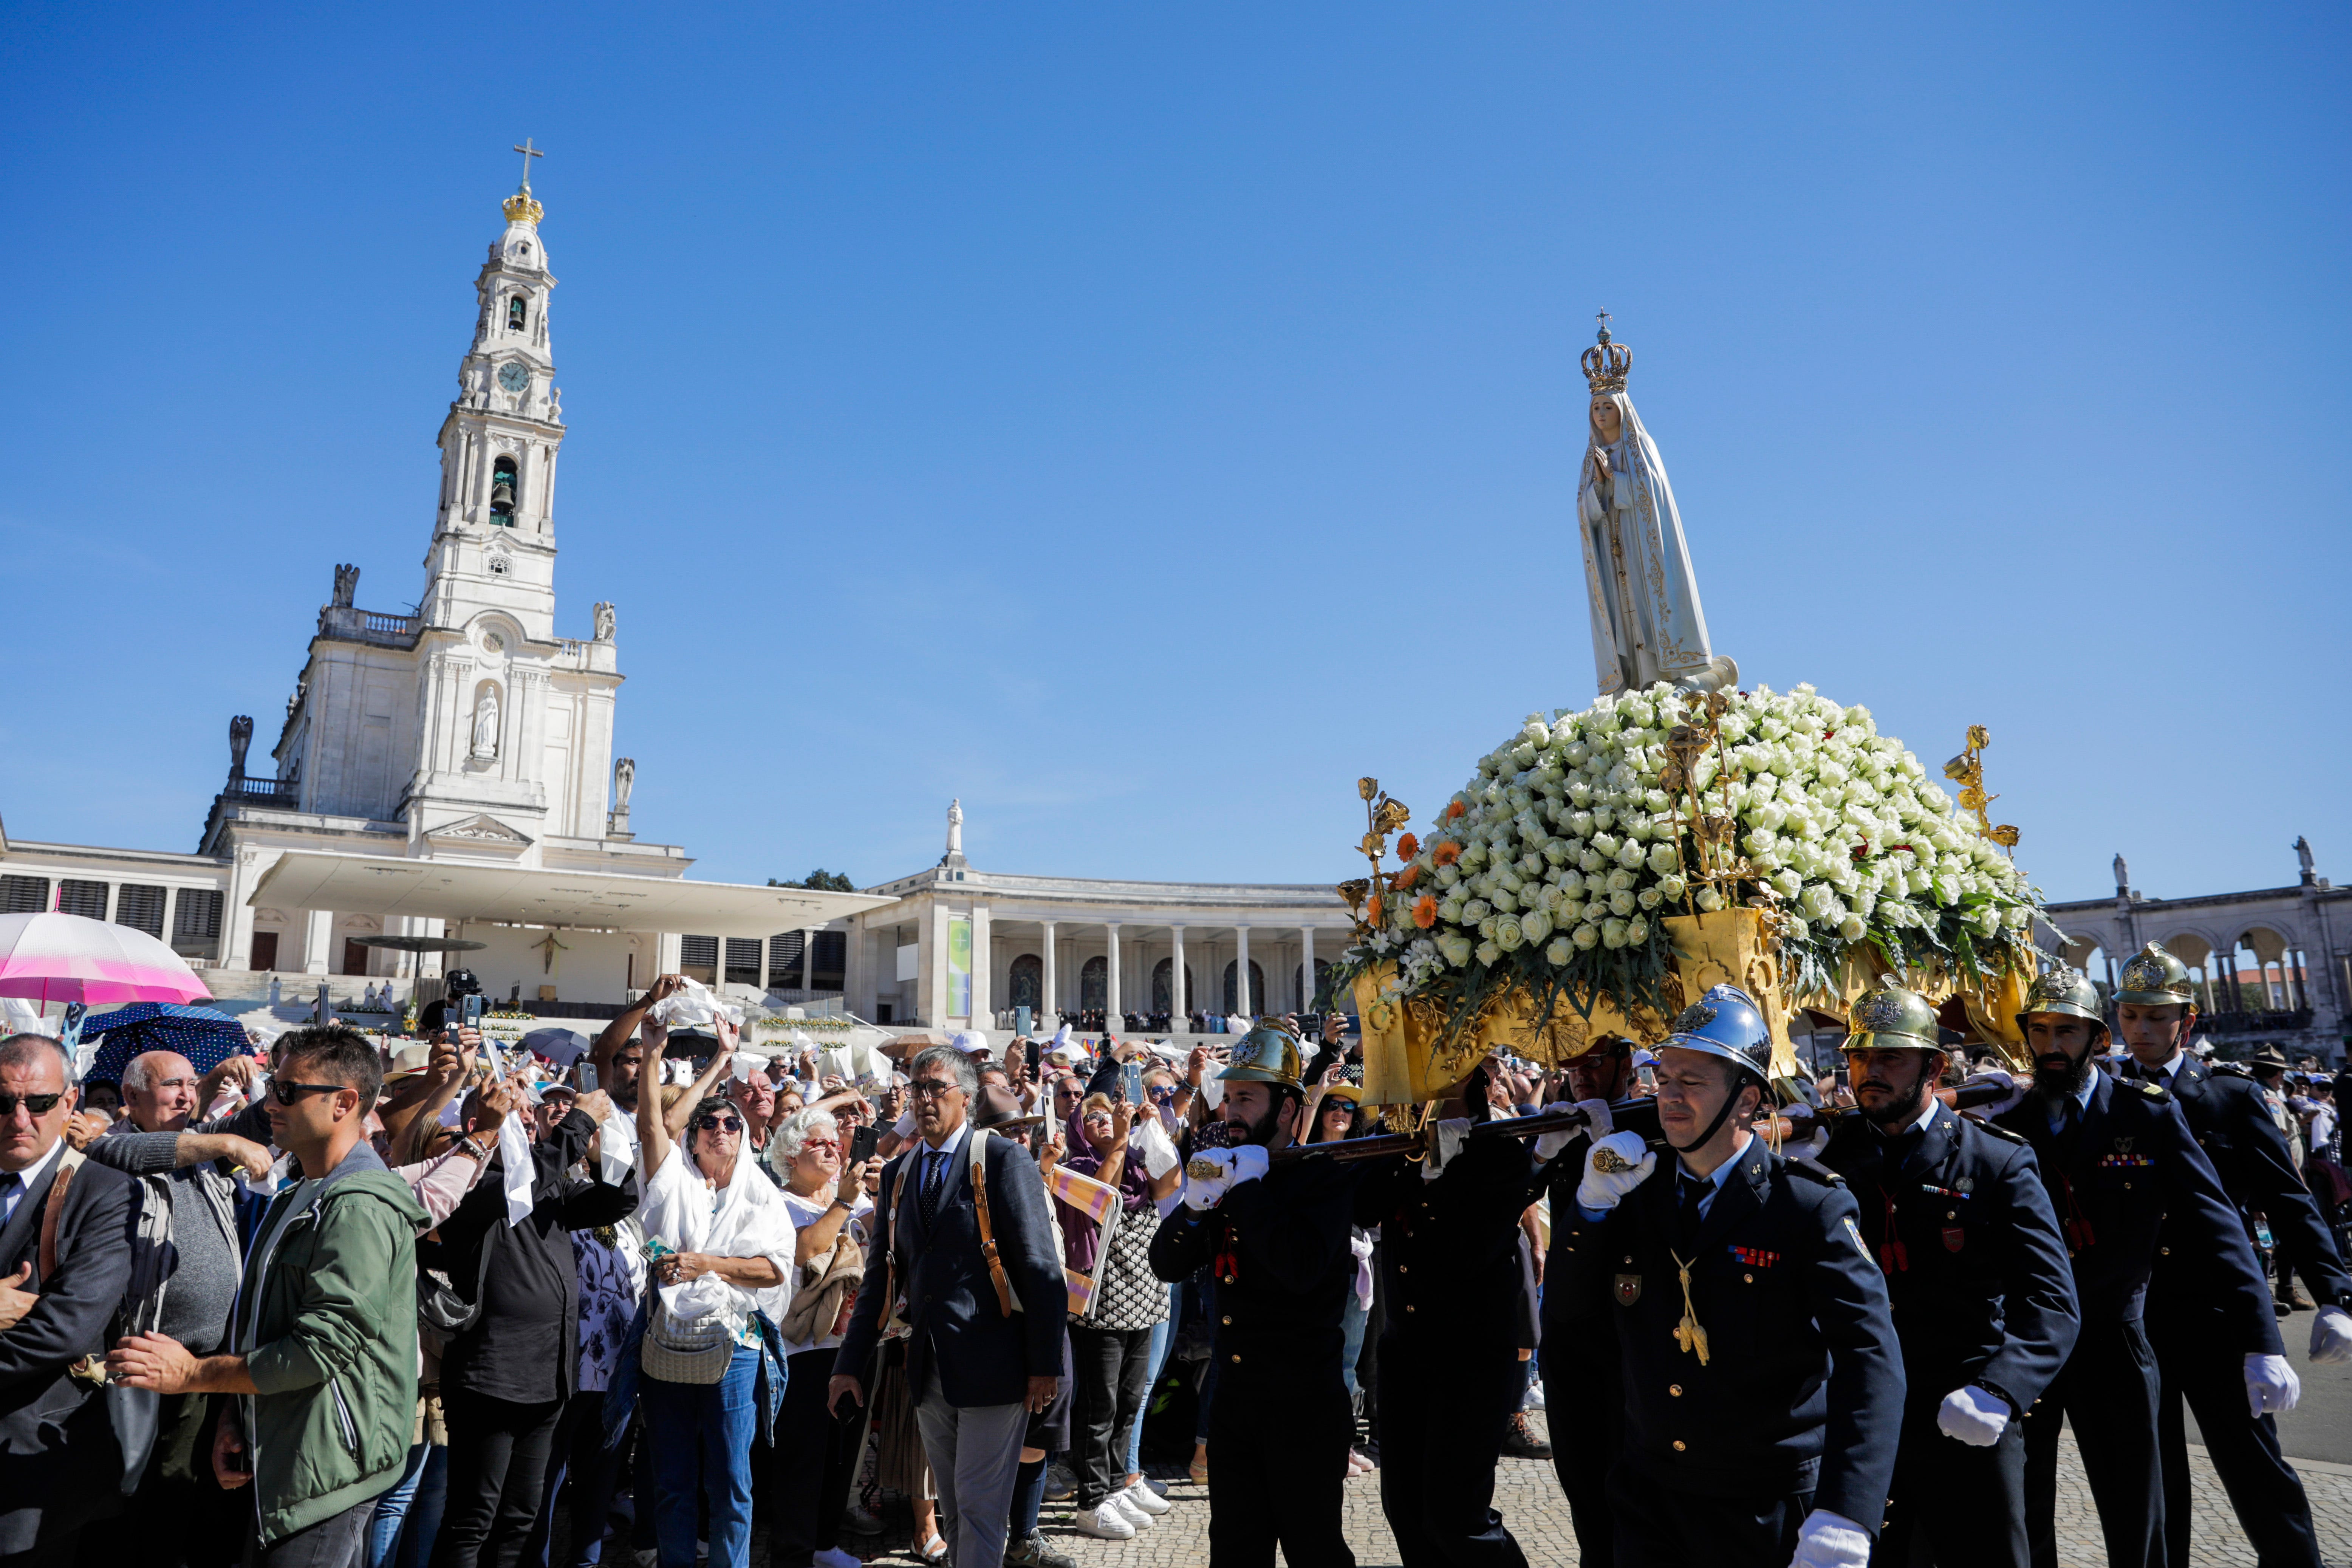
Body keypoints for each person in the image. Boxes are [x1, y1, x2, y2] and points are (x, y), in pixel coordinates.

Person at [1554, 986, 1904, 1568]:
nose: (1669, 1098)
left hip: (1761, 1504)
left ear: (1747, 1101)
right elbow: (1568, 1311)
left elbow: (1872, 1358)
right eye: (1664, 1080)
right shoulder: (1635, 1194)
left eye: (1691, 1082)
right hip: (1652, 1498)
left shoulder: (1807, 1206)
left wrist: (1848, 1508)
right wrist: (1588, 1210)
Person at [1988, 967, 2282, 1568]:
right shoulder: (2007, 1128)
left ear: (2099, 1039)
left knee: (2136, 1514)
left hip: (2117, 1341)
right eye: (2039, 1031)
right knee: (2025, 1511)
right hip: (2034, 1346)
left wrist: (2262, 1340)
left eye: (2067, 1031)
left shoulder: (2146, 1114)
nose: (2051, 1046)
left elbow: (2217, 1223)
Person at [109, 1024, 431, 1566]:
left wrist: (194, 1376)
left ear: (344, 1103)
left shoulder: (355, 1207)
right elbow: (269, 1322)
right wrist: (239, 1413)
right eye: (271, 1088)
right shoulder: (305, 1191)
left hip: (327, 1466)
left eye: (287, 1092)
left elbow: (320, 1348)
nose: (270, 1104)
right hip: (287, 1446)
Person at [1817, 980, 2079, 1568]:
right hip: (1867, 1414)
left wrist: (2001, 1388)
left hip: (1965, 1406)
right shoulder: (1837, 1155)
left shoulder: (1994, 1160)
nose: (1868, 1071)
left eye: (1890, 1056)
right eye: (1859, 1056)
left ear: (1934, 1066)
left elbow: (2053, 1300)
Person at [2107, 943, 2352, 1568]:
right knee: (2153, 1477)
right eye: (2130, 1015)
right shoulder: (2104, 1098)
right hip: (2138, 1316)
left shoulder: (2225, 1095)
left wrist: (2332, 1292)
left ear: (2185, 1023)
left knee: (2254, 1467)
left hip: (2218, 1311)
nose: (2140, 1029)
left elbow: (2286, 1196)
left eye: (2155, 1016)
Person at [831, 1045, 1066, 1568]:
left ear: (967, 1097)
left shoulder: (1003, 1159)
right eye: (918, 1088)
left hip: (997, 1366)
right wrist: (848, 1367)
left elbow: (1040, 1268)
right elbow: (880, 1281)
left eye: (937, 1087)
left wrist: (1046, 1365)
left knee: (980, 1506)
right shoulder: (898, 1175)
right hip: (928, 1370)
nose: (925, 1097)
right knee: (957, 1508)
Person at [1148, 1022, 1364, 1568]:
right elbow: (1167, 1263)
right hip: (1236, 1403)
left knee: (1314, 1549)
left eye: (1247, 1097)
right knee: (1237, 1554)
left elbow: (1300, 1268)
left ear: (1289, 1109)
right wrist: (1196, 1206)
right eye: (1229, 1098)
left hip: (1302, 1405)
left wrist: (1247, 1193)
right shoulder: (1226, 1174)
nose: (1232, 1111)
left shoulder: (1322, 1179)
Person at [76, 1050, 274, 1567]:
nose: (186, 1096)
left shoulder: (202, 1147)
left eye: (191, 1085)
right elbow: (134, 1151)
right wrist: (223, 1138)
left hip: (201, 1366)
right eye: (172, 1086)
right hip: (137, 1361)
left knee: (175, 1497)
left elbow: (259, 1123)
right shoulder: (112, 1146)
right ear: (133, 1098)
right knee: (124, 1501)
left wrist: (258, 1089)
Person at [427, 1075, 631, 1568]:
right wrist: (578, 1124)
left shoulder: (547, 1185)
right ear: (481, 1125)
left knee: (521, 1518)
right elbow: (521, 1188)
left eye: (528, 1111)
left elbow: (618, 1202)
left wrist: (604, 1154)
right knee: (473, 1517)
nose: (526, 1117)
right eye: (513, 1110)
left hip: (547, 1379)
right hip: (491, 1378)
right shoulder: (466, 1180)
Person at [1353, 1057, 1549, 1568]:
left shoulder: (1500, 1144)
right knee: (1407, 1510)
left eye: (1444, 1067)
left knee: (1456, 1515)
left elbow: (1473, 1246)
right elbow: (1364, 1203)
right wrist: (1416, 1158)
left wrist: (1445, 1168)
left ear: (1476, 1076)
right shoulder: (1399, 1140)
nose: (1425, 1080)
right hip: (1405, 1346)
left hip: (1471, 1352)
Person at [622, 1016, 794, 1568]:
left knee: (731, 1483)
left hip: (735, 1348)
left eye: (731, 1123)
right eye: (708, 1123)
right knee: (672, 1481)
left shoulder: (761, 1194)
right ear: (693, 1137)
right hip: (668, 1341)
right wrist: (652, 1055)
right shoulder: (672, 1179)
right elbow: (652, 1125)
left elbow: (773, 1270)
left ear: (744, 1138)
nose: (720, 1129)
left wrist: (706, 1265)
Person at [0, 1032, 142, 1563]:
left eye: (38, 1104)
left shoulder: (104, 1191)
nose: (19, 1119)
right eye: (3, 1102)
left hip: (34, 1473)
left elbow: (65, 1329)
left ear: (68, 1103)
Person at [1535, 1034, 1635, 1565]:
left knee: (1629, 1484)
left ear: (1625, 1065)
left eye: (1594, 1062)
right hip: (1570, 1329)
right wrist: (1538, 1153)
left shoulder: (1652, 1122)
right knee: (1580, 1477)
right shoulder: (1564, 1126)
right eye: (1571, 1065)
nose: (1581, 1075)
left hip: (1626, 1328)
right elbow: (1519, 1198)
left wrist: (1616, 1134)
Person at [1060, 1091, 1173, 1540]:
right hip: (1101, 1310)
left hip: (1143, 1302)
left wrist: (1152, 1127)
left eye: (1109, 1117)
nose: (1104, 1123)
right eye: (1093, 1119)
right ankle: (1090, 1502)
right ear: (1078, 1130)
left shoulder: (1138, 1168)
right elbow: (1101, 1198)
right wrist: (1125, 1136)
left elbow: (1171, 1182)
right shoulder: (1076, 1168)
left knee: (1128, 1403)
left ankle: (1114, 1486)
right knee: (1098, 1407)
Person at [767, 1106, 872, 1568]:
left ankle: (825, 1544)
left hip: (850, 1344)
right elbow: (802, 1249)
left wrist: (874, 1195)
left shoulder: (850, 1197)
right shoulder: (777, 1202)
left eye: (835, 1143)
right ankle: (793, 1551)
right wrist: (844, 1203)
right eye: (818, 1143)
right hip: (802, 1349)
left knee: (840, 1453)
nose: (832, 1149)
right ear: (791, 1155)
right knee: (802, 1456)